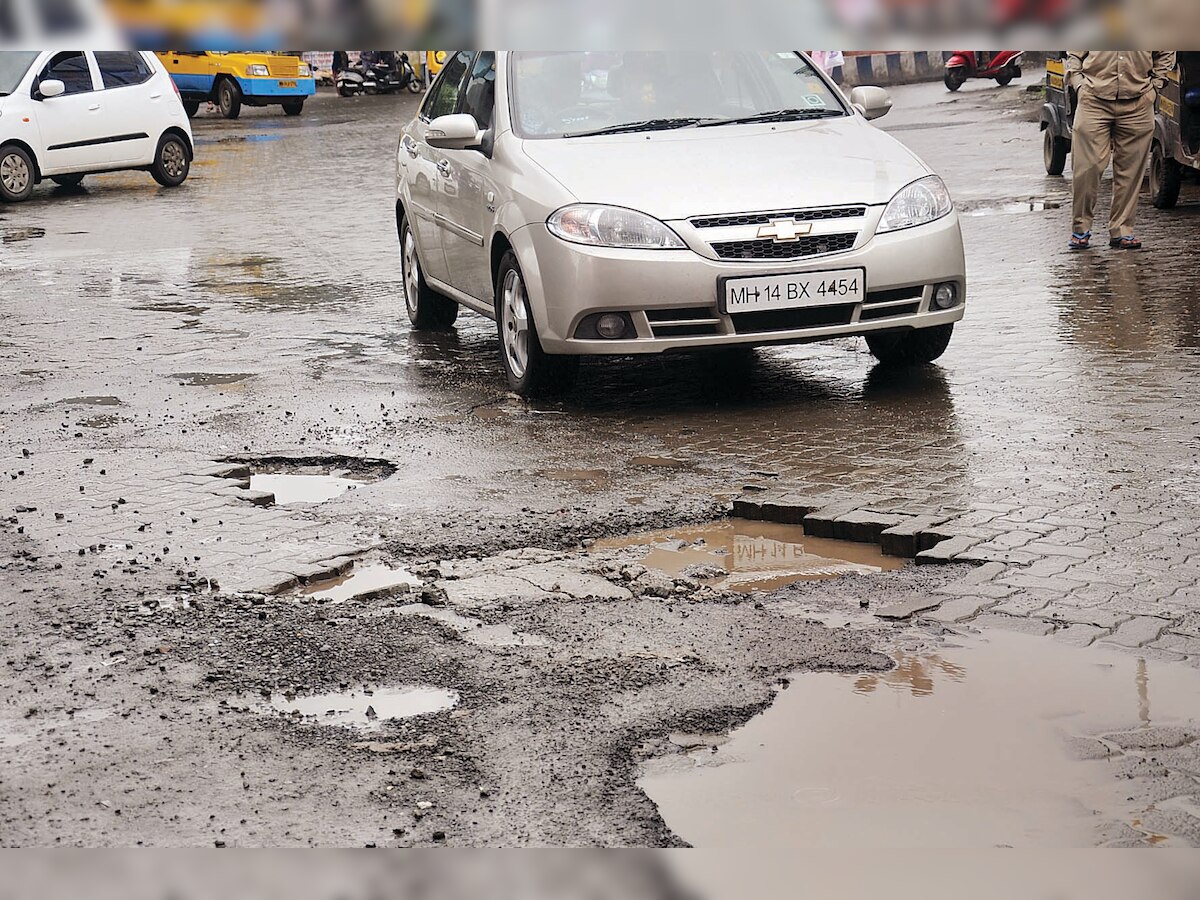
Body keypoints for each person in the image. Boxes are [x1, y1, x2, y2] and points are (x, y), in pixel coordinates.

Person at [1066, 50, 1176, 250]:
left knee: (1130, 171)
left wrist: (1155, 87)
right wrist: (1078, 84)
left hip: (1138, 101)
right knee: (1087, 168)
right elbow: (1074, 52)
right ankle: (1080, 228)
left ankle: (1121, 230)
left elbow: (1167, 51)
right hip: (1093, 99)